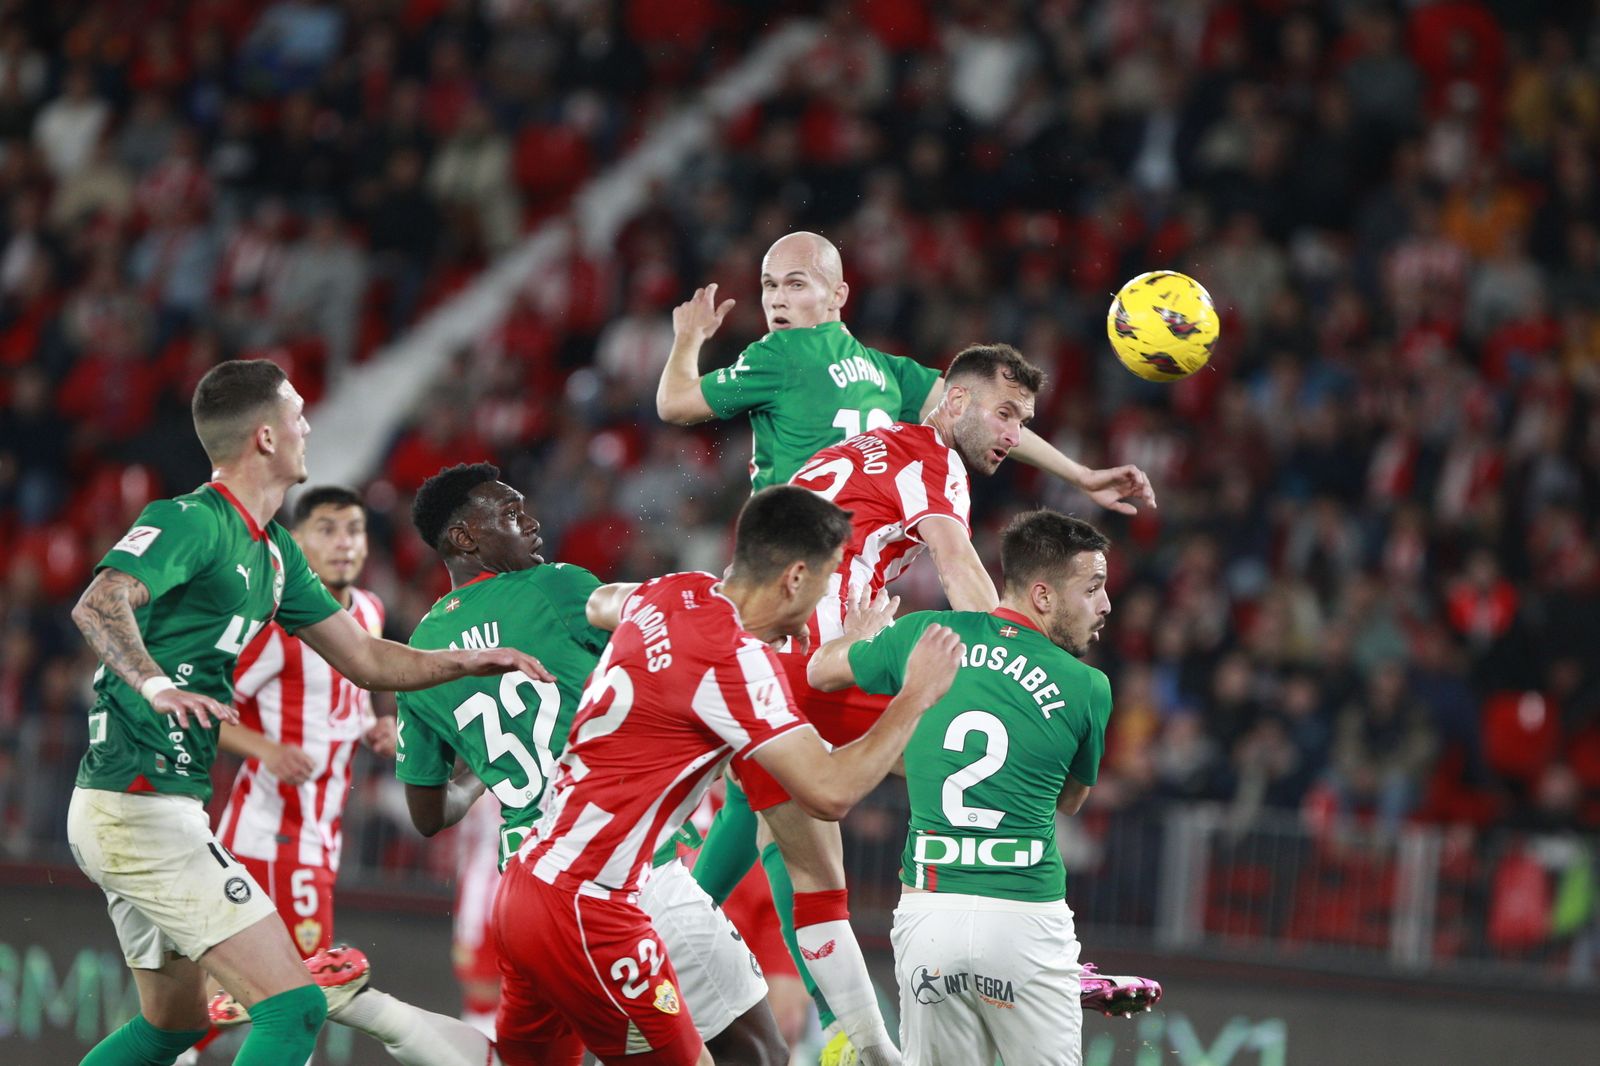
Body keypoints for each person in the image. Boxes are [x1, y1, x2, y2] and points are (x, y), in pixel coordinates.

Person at [656, 231, 1155, 1055]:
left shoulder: (902, 405)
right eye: (771, 286)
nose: (779, 301)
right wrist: (1005, 650)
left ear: (840, 293)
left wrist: (1076, 474)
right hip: (799, 624)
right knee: (908, 766)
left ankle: (676, 937)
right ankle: (910, 1003)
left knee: (794, 802)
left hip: (788, 616)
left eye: (796, 285)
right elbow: (958, 547)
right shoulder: (883, 398)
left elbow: (988, 414)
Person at [65, 359, 548, 1066]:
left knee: (172, 1028)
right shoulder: (192, 520)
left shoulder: (276, 553)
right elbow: (99, 601)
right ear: (264, 437)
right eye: (297, 414)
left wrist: (470, 660)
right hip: (139, 805)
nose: (308, 425)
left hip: (153, 805)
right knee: (293, 1010)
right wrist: (154, 685)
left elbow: (366, 658)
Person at [494, 485, 965, 1066]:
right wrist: (915, 693)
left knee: (759, 1054)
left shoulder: (673, 590)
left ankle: (377, 1011)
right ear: (794, 578)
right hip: (591, 907)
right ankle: (370, 1008)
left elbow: (601, 604)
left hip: (534, 879)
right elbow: (830, 791)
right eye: (826, 581)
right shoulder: (738, 665)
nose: (826, 598)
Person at [394, 462, 792, 1066]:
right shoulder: (552, 587)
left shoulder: (419, 656)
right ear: (464, 538)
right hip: (618, 865)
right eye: (508, 512)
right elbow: (660, 634)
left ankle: (370, 1008)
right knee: (757, 1054)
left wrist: (482, 768)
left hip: (524, 888)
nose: (530, 521)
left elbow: (428, 814)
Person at [718, 342, 1043, 1062]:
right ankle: (1015, 958)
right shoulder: (935, 460)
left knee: (795, 852)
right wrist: (1011, 661)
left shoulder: (868, 446)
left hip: (758, 651)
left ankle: (862, 1044)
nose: (1013, 435)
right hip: (817, 656)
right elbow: (957, 562)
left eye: (1023, 421)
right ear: (954, 403)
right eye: (1006, 413)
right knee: (990, 758)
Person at [808, 509, 1160, 1065]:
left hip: (929, 920)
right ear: (1042, 596)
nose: (1106, 606)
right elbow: (1069, 800)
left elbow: (819, 672)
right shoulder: (1088, 686)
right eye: (1092, 588)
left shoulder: (925, 632)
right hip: (1025, 920)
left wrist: (858, 637)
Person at [205, 484, 500, 1066]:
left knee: (261, 998)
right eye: (328, 529)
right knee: (297, 996)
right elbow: (208, 710)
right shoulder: (277, 624)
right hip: (271, 837)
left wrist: (376, 727)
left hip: (319, 837)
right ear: (296, 541)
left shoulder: (364, 611)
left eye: (355, 530)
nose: (344, 543)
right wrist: (266, 748)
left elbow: (350, 696)